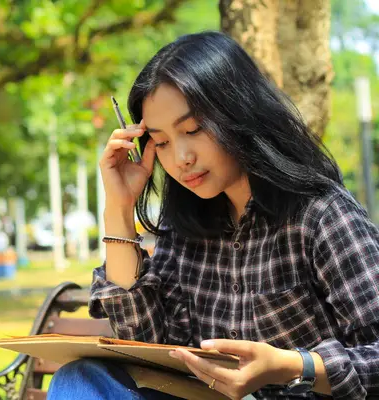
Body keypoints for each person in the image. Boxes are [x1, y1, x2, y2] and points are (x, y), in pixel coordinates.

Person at [47, 31, 379, 400]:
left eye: (193, 129)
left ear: (239, 112)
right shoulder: (184, 225)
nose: (181, 157)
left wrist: (293, 366)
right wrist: (119, 208)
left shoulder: (321, 215)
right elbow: (145, 345)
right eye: (162, 142)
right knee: (80, 378)